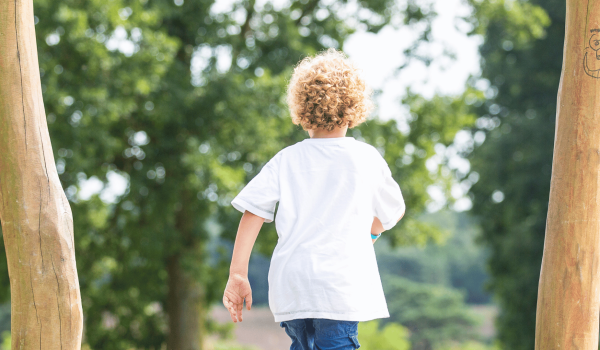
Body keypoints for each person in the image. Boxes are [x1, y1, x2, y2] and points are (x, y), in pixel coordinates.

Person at [222, 48, 406, 350]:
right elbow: (393, 211)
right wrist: (371, 232)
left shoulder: (286, 159)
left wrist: (238, 273)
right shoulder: (365, 158)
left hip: (293, 284)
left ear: (302, 109)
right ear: (354, 106)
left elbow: (253, 211)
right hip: (339, 288)